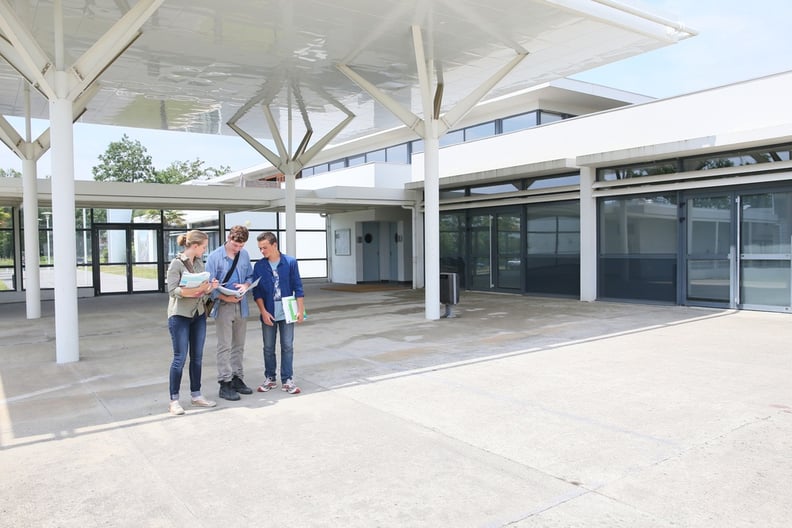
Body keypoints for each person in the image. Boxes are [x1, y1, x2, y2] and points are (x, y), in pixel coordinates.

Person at [166, 230, 219, 415]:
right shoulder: (176, 264)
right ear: (195, 246)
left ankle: (196, 396)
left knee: (197, 357)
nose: (205, 250)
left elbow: (203, 290)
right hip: (179, 316)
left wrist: (209, 288)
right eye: (203, 247)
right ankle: (174, 401)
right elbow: (173, 291)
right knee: (180, 358)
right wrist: (193, 290)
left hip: (198, 314)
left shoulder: (198, 263)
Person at [252, 231, 305, 394]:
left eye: (265, 247)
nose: (262, 251)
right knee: (268, 347)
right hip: (268, 311)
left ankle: (287, 379)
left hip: (287, 312)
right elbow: (257, 292)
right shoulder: (259, 265)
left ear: (275, 245)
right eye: (260, 248)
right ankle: (270, 378)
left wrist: (300, 310)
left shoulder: (290, 262)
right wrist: (263, 312)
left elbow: (298, 287)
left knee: (287, 346)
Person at [206, 225, 255, 401]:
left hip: (241, 305)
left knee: (239, 345)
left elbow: (250, 276)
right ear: (229, 238)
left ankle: (237, 378)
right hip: (223, 306)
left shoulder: (245, 255)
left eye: (241, 246)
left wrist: (245, 286)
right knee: (224, 345)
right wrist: (227, 298)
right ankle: (224, 382)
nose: (238, 249)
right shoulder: (214, 257)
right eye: (235, 245)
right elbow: (209, 286)